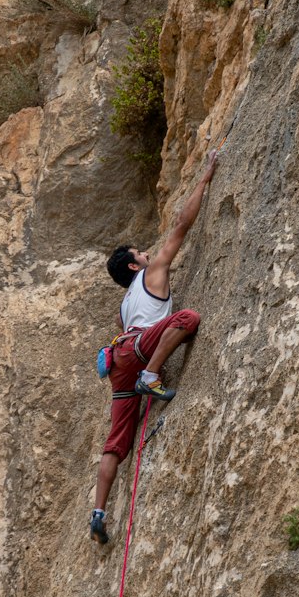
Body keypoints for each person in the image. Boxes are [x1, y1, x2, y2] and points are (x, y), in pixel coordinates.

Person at [90, 148, 219, 544]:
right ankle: (151, 376)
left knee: (116, 442)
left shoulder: (124, 305)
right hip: (138, 356)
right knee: (187, 319)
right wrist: (204, 178)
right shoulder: (153, 273)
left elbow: (122, 327)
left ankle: (97, 513)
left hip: (118, 362)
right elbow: (181, 225)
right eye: (141, 254)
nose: (149, 254)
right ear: (134, 266)